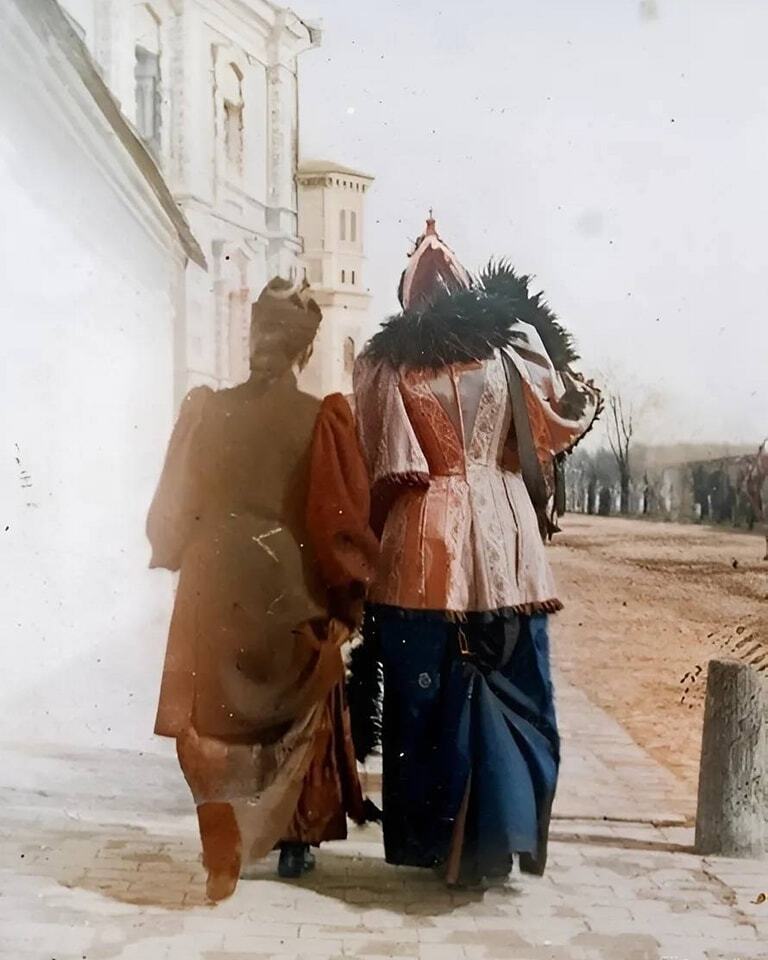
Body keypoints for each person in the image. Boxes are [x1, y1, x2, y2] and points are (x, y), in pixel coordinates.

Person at [306, 217, 601, 886]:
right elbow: (554, 426)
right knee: (515, 682)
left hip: (421, 545)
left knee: (425, 696)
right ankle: (503, 831)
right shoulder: (511, 353)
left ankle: (435, 840)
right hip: (509, 543)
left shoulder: (386, 366)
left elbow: (387, 464)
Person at [147, 278, 370, 902]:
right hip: (283, 576)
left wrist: (183, 554)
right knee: (304, 698)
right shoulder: (320, 417)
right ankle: (295, 841)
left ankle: (221, 852)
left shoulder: (206, 409)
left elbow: (176, 504)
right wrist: (347, 600)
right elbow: (339, 523)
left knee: (209, 717)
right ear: (303, 352)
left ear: (252, 341)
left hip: (211, 579)